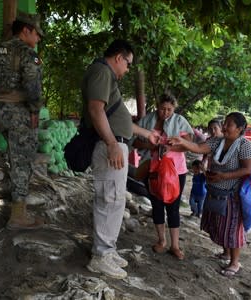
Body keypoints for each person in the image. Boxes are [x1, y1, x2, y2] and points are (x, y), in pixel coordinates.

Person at [82, 39, 160, 279]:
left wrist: (146, 133)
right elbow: (96, 110)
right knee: (109, 198)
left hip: (115, 145)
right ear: (118, 57)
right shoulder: (101, 71)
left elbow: (119, 120)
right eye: (128, 63)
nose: (127, 69)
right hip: (109, 147)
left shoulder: (107, 77)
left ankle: (108, 249)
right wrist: (113, 143)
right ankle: (100, 257)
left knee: (115, 200)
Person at [168, 112, 251, 277]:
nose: (224, 127)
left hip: (232, 195)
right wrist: (182, 141)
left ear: (240, 128)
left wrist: (224, 176)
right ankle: (226, 253)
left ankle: (234, 262)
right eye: (225, 123)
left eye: (229, 124)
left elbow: (248, 169)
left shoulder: (244, 145)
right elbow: (199, 148)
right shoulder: (217, 141)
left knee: (232, 228)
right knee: (220, 224)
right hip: (215, 191)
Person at [0, 11, 45, 230]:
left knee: (14, 153)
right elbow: (32, 87)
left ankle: (13, 199)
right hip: (18, 112)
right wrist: (36, 108)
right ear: (26, 30)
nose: (38, 38)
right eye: (37, 34)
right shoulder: (29, 54)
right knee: (23, 159)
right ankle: (18, 215)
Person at [132, 92, 194, 260]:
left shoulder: (180, 121)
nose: (165, 113)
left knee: (173, 207)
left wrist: (171, 148)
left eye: (169, 110)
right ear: (157, 106)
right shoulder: (146, 121)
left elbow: (189, 145)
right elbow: (135, 142)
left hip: (176, 171)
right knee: (157, 204)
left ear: (174, 108)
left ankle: (175, 246)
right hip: (152, 169)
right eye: (162, 109)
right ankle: (161, 241)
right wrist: (150, 145)